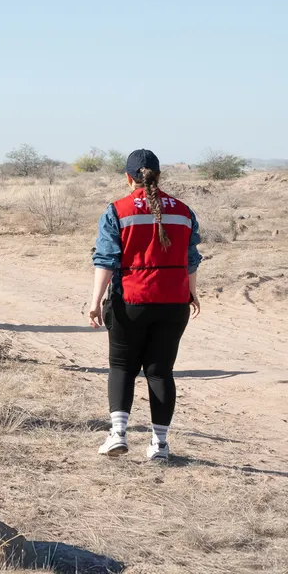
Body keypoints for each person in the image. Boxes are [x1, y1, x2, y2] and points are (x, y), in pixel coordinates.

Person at [89, 149, 202, 461]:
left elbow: (106, 259)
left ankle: (118, 435)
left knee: (123, 367)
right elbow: (191, 259)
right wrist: (192, 293)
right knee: (160, 371)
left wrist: (95, 301)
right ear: (159, 176)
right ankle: (160, 445)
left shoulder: (117, 210)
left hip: (131, 301)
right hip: (174, 302)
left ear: (128, 179)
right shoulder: (183, 211)